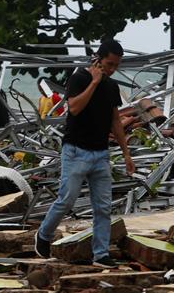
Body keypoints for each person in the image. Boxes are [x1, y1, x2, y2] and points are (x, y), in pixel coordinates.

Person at [34, 39, 135, 267]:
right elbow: (75, 108)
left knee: (103, 207)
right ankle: (43, 234)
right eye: (109, 64)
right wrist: (94, 82)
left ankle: (101, 255)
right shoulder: (79, 77)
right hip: (76, 151)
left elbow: (115, 121)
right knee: (66, 200)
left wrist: (126, 153)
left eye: (116, 66)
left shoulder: (111, 87)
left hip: (100, 155)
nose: (111, 69)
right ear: (98, 59)